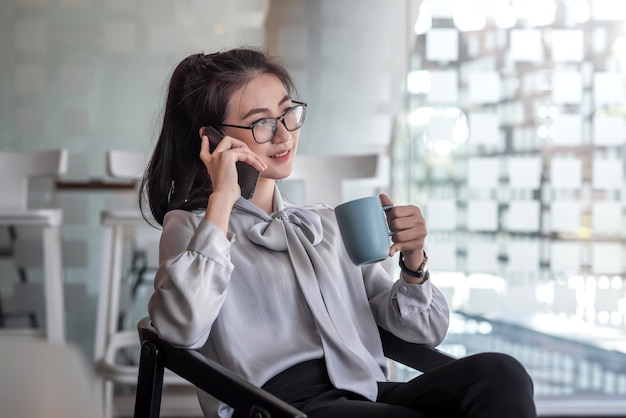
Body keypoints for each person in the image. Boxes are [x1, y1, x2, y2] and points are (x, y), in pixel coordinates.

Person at [140, 47, 537, 418]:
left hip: (367, 392)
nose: (283, 135)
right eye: (261, 122)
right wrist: (222, 201)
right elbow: (179, 329)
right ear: (211, 139)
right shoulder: (192, 228)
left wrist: (413, 261)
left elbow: (424, 332)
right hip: (279, 407)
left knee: (501, 374)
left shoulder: (325, 222)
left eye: (287, 113)